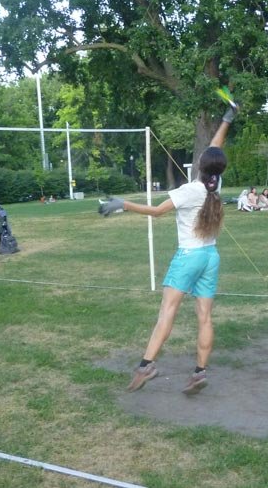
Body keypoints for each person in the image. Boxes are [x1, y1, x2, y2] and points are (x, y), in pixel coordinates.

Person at [99, 104, 237, 395]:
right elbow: (215, 148)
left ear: (202, 164)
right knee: (205, 317)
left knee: (167, 311)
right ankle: (200, 372)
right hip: (211, 257)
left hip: (189, 257)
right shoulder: (215, 184)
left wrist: (122, 204)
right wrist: (226, 120)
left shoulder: (190, 190)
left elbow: (157, 211)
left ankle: (146, 365)